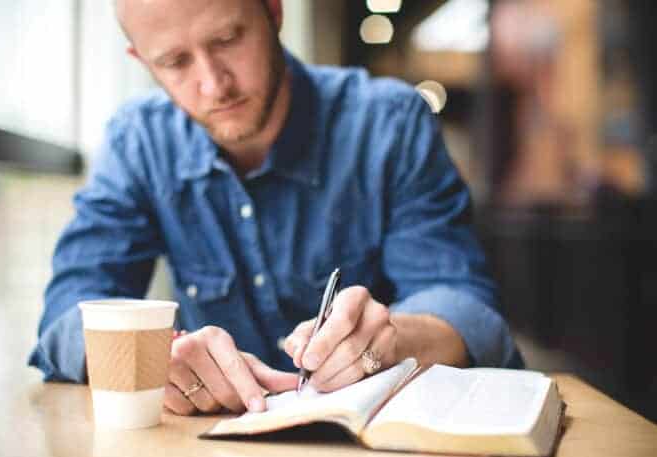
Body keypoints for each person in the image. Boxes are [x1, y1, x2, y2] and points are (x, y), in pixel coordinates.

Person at [29, 0, 523, 416]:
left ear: (273, 10)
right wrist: (158, 355)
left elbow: (465, 309)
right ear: (142, 61)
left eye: (226, 40)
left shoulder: (389, 123)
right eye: (175, 62)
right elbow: (66, 317)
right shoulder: (138, 141)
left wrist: (393, 340)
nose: (213, 84)